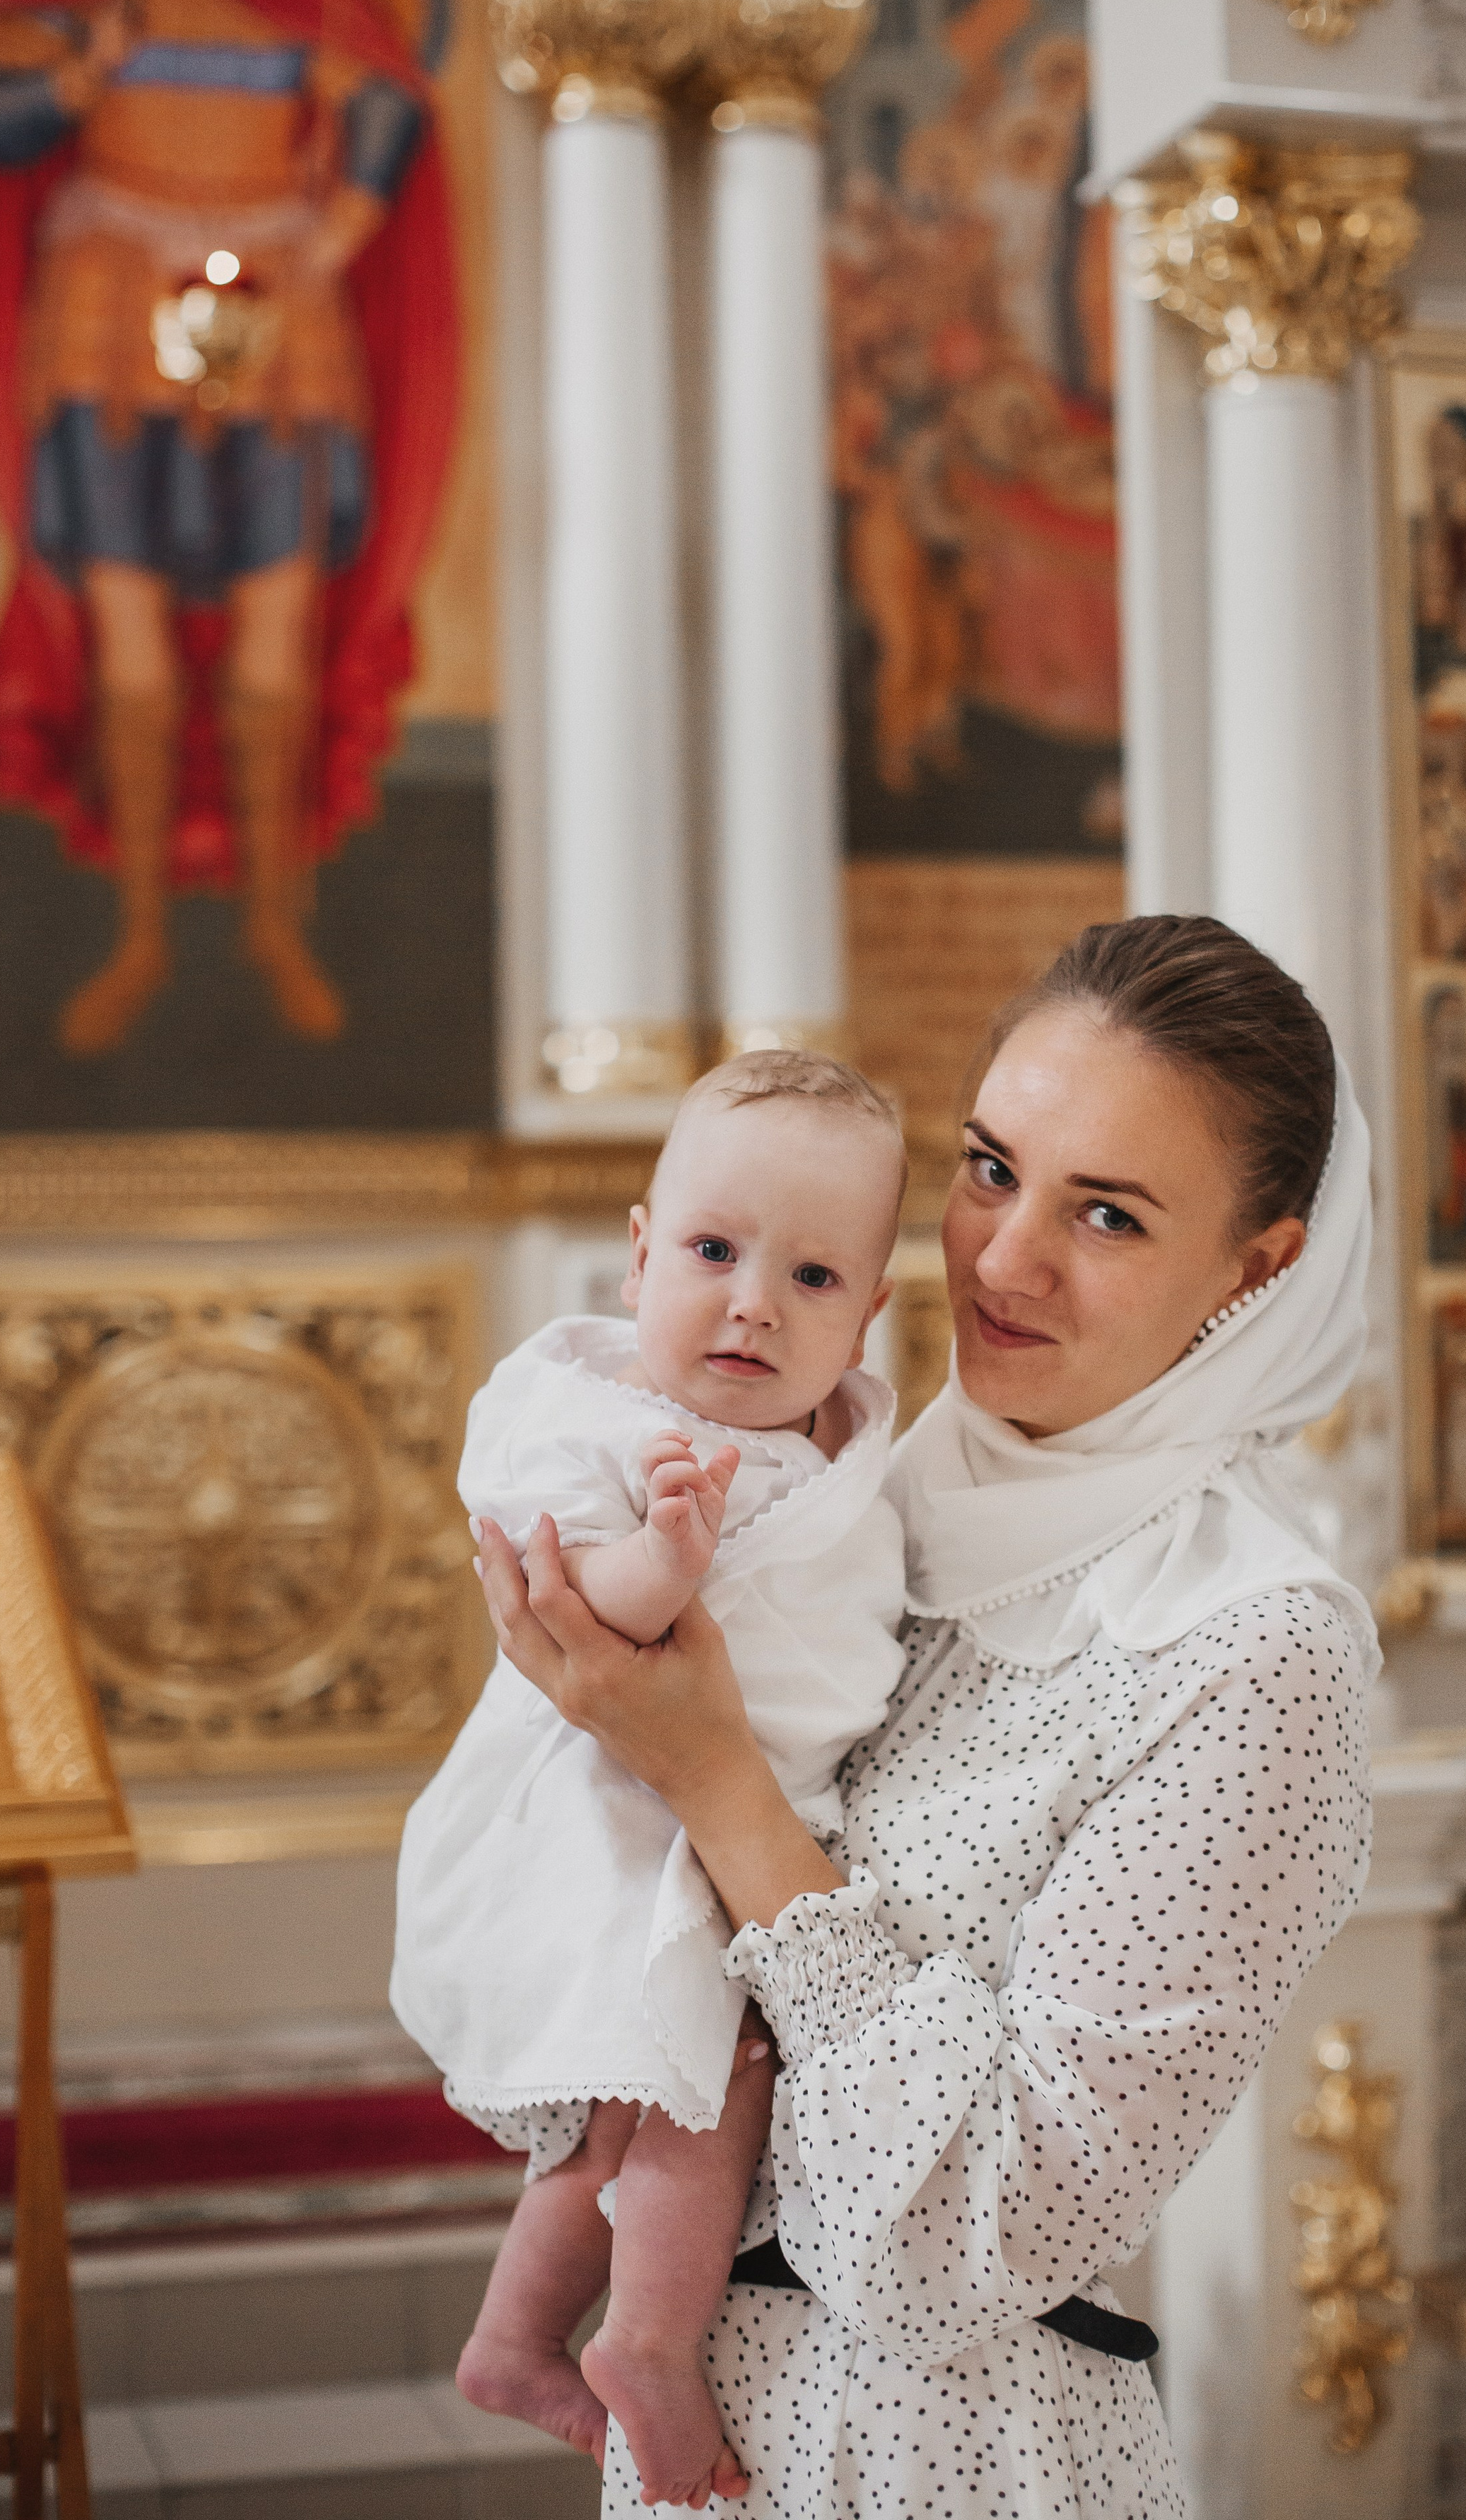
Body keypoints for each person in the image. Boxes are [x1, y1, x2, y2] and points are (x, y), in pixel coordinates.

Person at [476, 915, 1379, 2516]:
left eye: (1102, 1213)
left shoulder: (1250, 1651)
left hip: (945, 2467)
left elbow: (973, 2243)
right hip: (690, 2448)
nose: (1000, 1257)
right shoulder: (837, 1496)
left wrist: (715, 1785)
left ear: (1260, 1264)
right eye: (986, 1169)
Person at [391, 1052, 911, 2511]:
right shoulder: (589, 1418)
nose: (751, 1300)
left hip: (728, 1817)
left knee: (633, 2101)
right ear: (637, 1253)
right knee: (711, 2082)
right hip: (602, 1819)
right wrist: (660, 1564)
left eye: (811, 1277)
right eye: (710, 1252)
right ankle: (650, 2342)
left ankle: (507, 2336)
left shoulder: (849, 1450)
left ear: (867, 1313)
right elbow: (569, 1613)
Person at [0, 0, 457, 1053]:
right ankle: (143, 932)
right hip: (107, 317)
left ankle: (281, 920)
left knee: (276, 651)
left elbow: (388, 98)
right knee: (136, 655)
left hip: (277, 317)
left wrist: (344, 225)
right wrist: (78, 69)